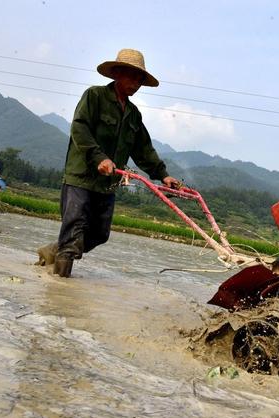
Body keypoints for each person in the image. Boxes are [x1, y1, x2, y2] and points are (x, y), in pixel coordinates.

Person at [37, 48, 180, 277]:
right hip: (81, 178)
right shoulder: (94, 97)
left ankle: (54, 251)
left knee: (99, 233)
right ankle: (59, 290)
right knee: (74, 231)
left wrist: (163, 175)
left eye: (140, 79)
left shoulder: (133, 115)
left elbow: (143, 149)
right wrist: (99, 158)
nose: (136, 83)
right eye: (132, 76)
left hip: (107, 185)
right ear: (116, 74)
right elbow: (79, 128)